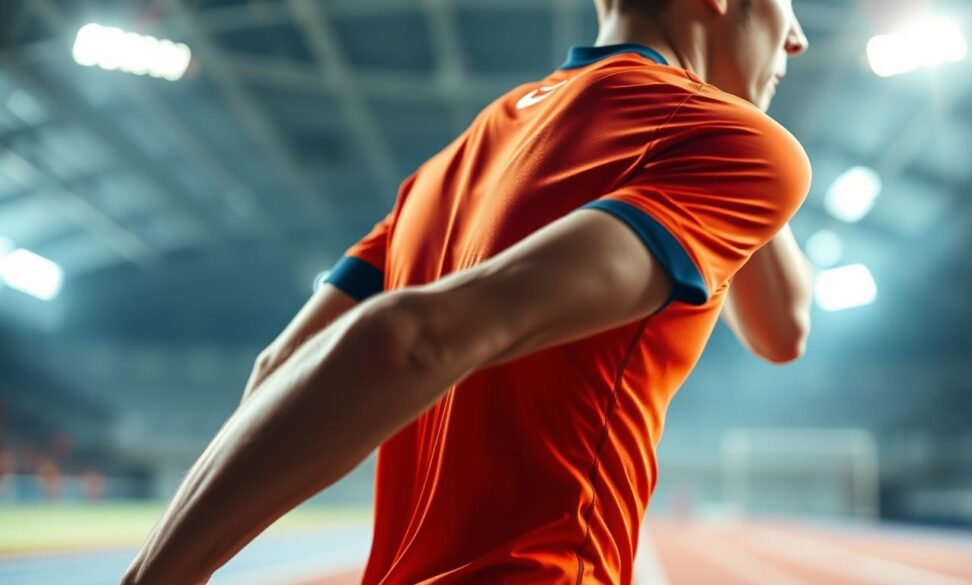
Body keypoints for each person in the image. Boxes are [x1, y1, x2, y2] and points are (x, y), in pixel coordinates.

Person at [122, 0, 813, 583]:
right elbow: (407, 339)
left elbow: (278, 373)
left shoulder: (449, 163)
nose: (798, 36)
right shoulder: (731, 142)